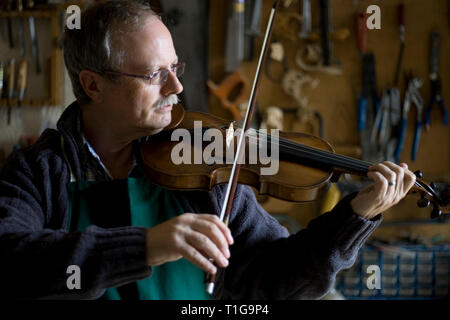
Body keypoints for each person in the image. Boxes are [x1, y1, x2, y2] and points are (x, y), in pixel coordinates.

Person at [0, 0, 416, 300]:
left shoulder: (199, 162)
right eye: (153, 75)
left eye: (175, 68)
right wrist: (146, 246)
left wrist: (354, 217)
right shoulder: (39, 172)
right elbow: (12, 260)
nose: (176, 88)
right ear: (93, 85)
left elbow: (276, 278)